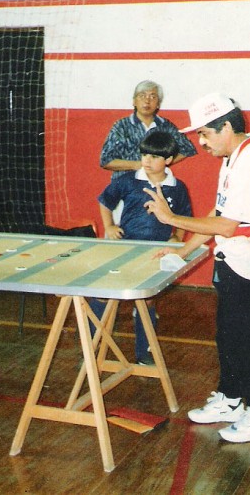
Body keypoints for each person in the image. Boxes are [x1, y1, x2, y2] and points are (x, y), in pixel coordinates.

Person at [143, 93, 250, 444]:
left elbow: (229, 227)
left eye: (205, 134)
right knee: (227, 335)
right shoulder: (234, 157)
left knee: (247, 341)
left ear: (227, 127)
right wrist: (183, 248)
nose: (201, 142)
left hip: (249, 264)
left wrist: (171, 218)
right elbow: (218, 215)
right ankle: (231, 400)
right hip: (233, 261)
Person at [88, 131, 192, 365]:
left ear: (168, 160)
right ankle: (90, 351)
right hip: (124, 250)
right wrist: (110, 226)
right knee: (103, 296)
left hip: (156, 254)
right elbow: (105, 201)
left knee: (146, 302)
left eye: (154, 157)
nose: (147, 160)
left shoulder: (178, 187)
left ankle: (143, 353)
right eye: (144, 154)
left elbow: (184, 217)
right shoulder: (127, 180)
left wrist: (176, 236)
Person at [100, 80, 197, 181]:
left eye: (153, 97)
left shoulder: (165, 126)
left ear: (158, 104)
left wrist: (161, 164)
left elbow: (187, 149)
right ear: (134, 101)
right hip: (125, 185)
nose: (147, 101)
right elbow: (106, 160)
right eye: (142, 96)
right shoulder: (121, 126)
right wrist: (137, 165)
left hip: (156, 182)